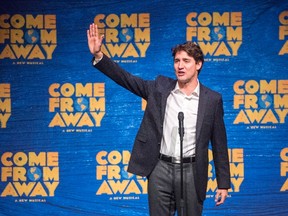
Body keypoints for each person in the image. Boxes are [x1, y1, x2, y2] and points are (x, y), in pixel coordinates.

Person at [87, 23, 231, 216]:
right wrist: (99, 56)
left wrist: (223, 183)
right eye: (177, 60)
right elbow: (126, 79)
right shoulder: (160, 88)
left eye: (186, 61)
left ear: (198, 64)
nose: (180, 66)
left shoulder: (213, 99)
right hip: (160, 169)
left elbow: (220, 144)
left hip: (192, 171)